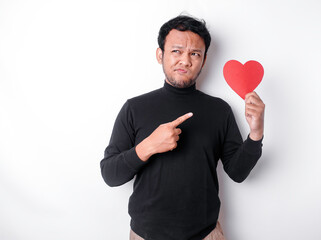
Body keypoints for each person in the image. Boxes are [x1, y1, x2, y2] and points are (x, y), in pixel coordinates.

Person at [100, 15, 265, 240]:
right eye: (176, 51)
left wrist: (255, 134)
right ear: (161, 55)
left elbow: (237, 173)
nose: (185, 61)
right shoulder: (134, 108)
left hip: (206, 235)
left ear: (204, 60)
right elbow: (110, 174)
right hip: (145, 235)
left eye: (194, 54)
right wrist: (148, 146)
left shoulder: (220, 110)